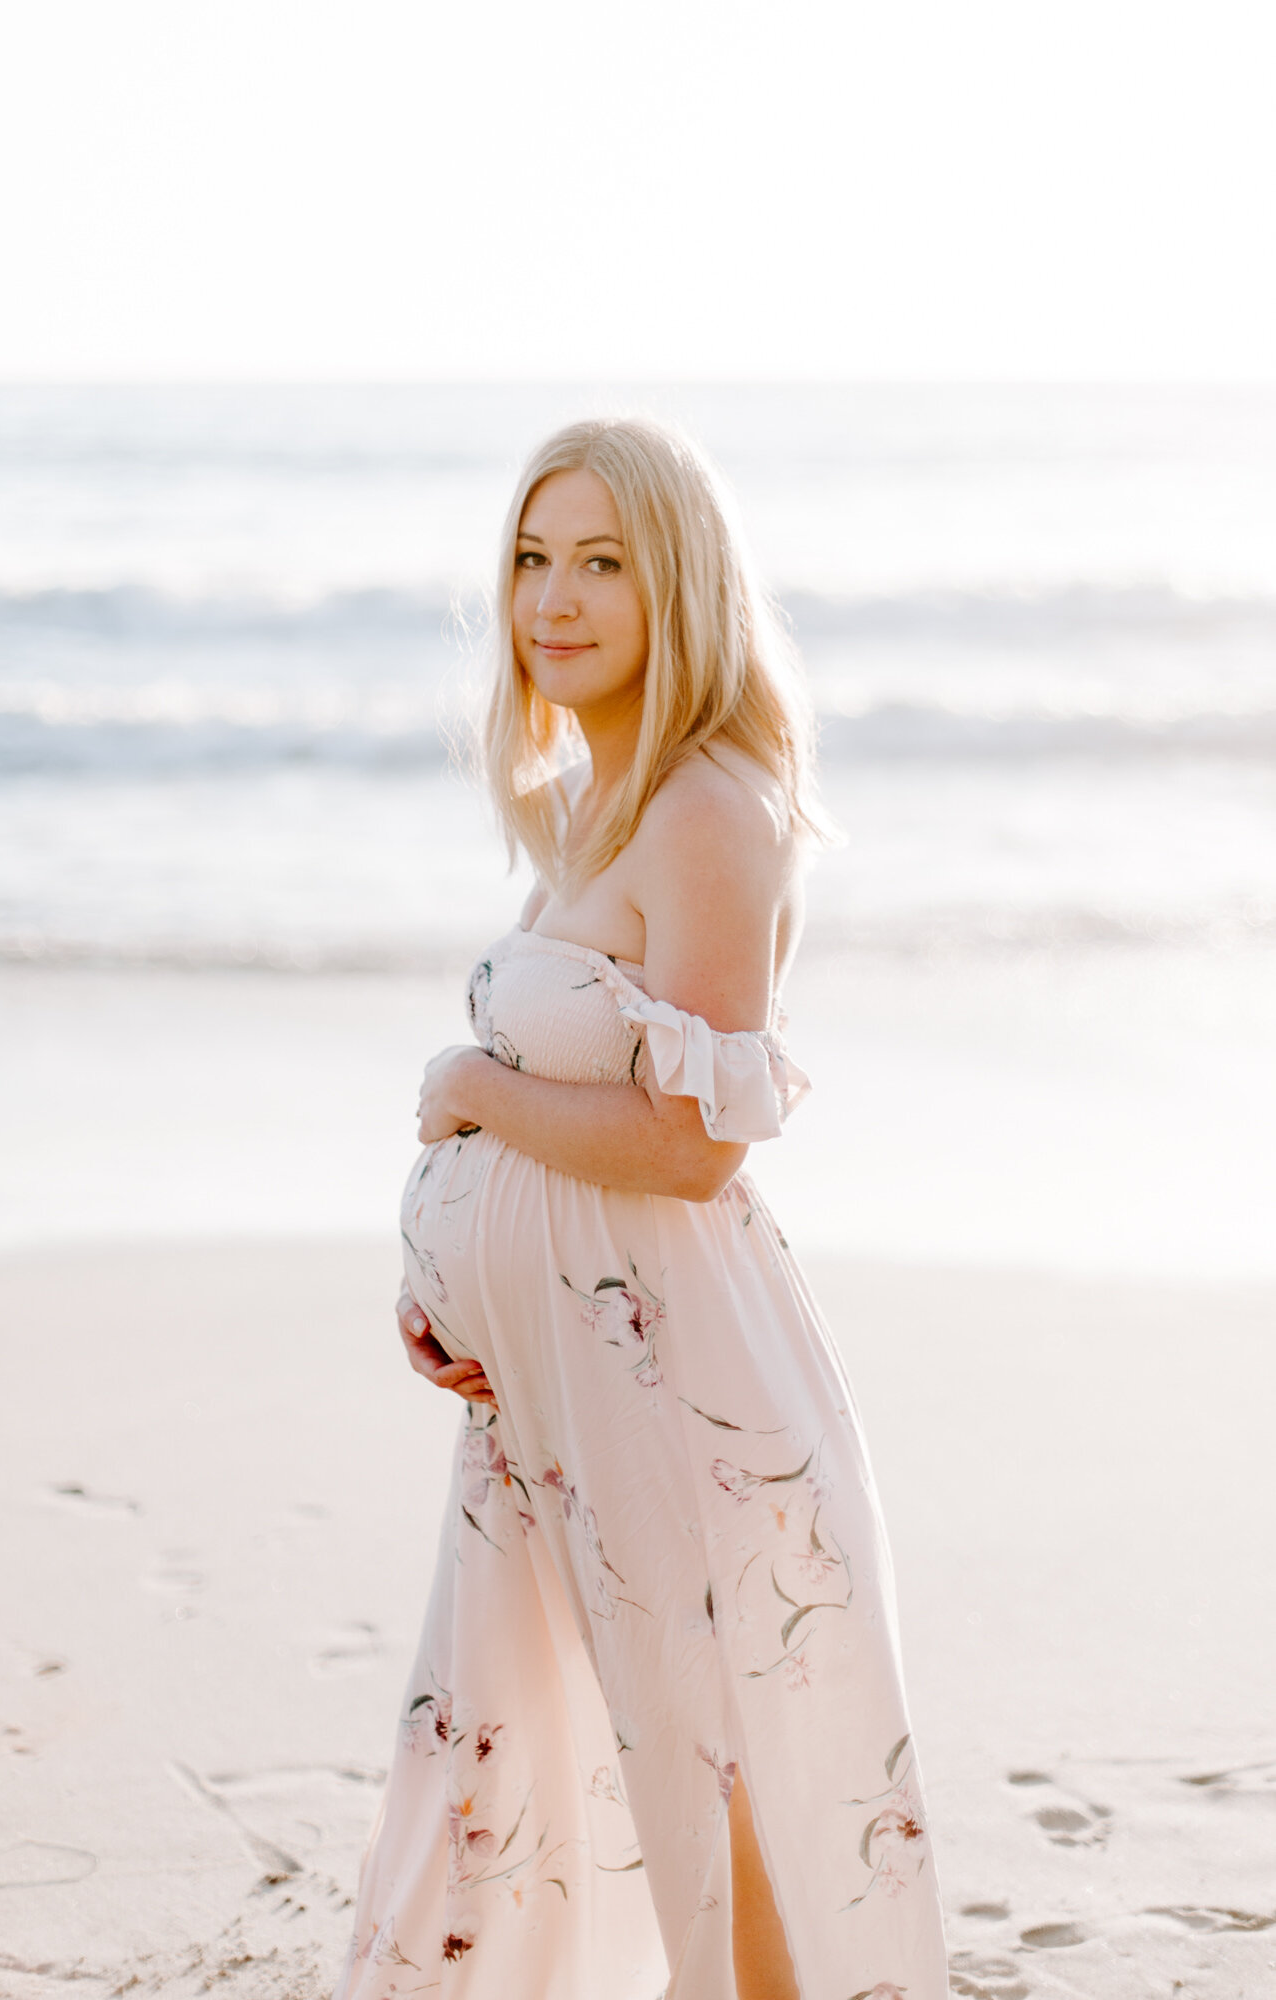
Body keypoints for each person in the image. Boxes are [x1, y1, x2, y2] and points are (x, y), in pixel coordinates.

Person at [335, 418, 948, 2000]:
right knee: (578, 1742)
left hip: (675, 1386)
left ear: (678, 582)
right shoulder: (590, 812)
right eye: (532, 558)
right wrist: (455, 1291)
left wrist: (470, 1091)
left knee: (700, 1757)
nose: (554, 596)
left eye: (602, 560)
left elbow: (693, 1148)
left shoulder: (706, 812)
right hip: (566, 1389)